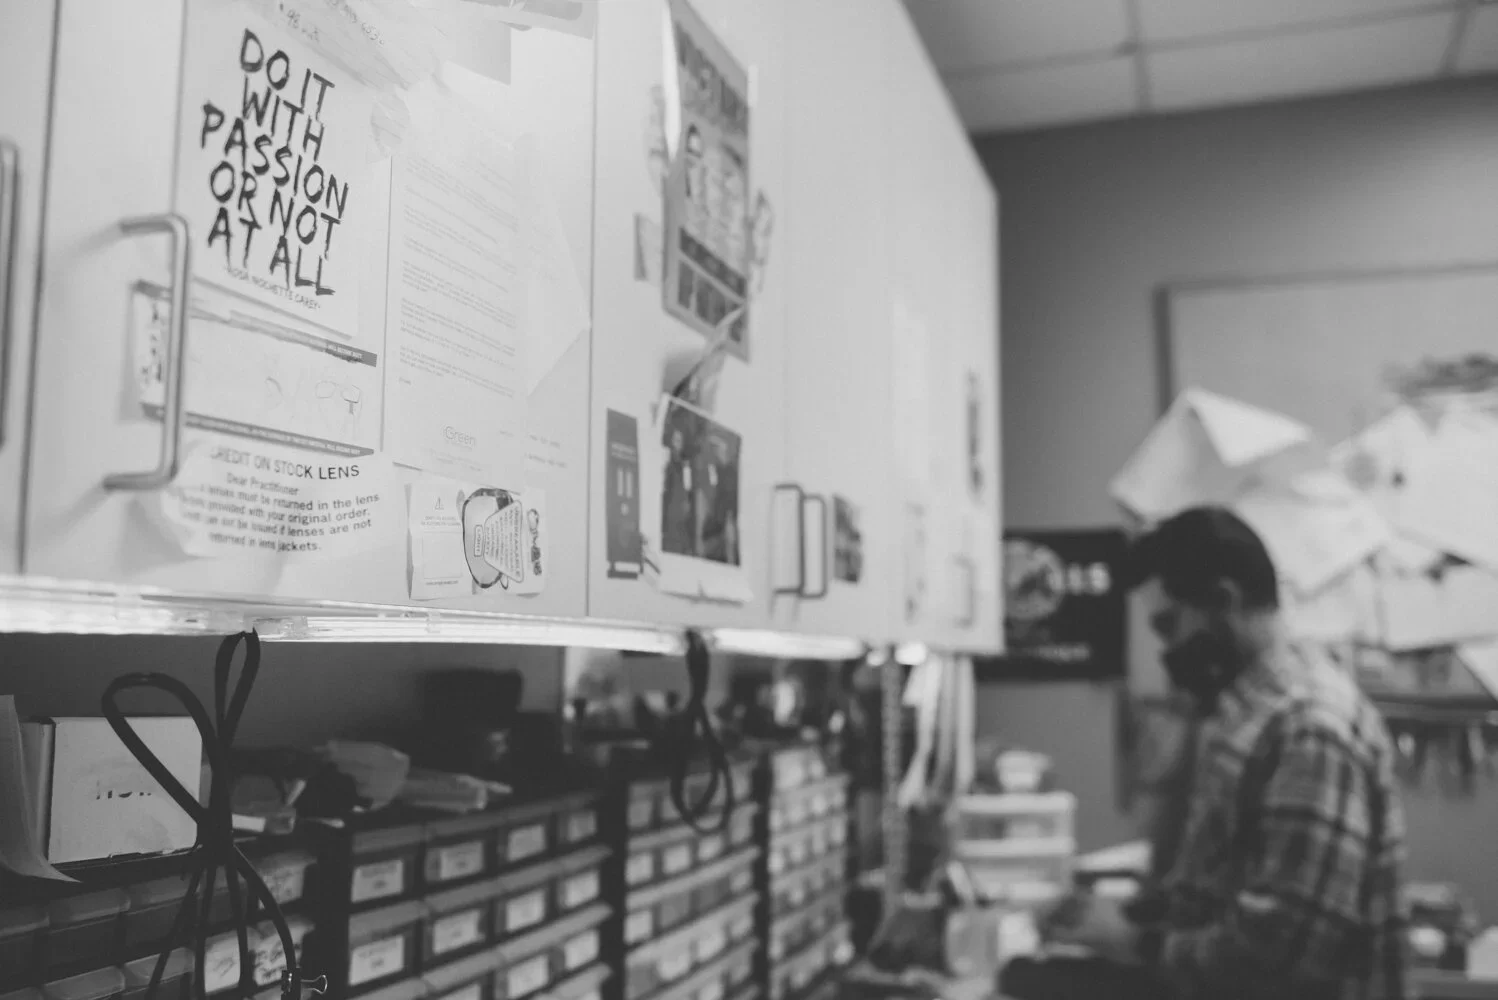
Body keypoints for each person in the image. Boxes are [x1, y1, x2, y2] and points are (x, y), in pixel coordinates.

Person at [1043, 505, 1408, 1000]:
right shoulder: (1247, 714)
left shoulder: (1310, 730)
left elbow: (1284, 955)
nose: (1164, 652)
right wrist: (1132, 913)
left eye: (1168, 626)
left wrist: (1132, 941)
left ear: (1223, 600)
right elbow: (1219, 887)